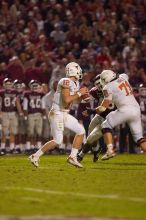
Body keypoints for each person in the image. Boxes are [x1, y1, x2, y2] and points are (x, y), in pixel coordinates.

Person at [29, 62, 89, 168]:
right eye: (78, 69)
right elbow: (66, 100)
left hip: (64, 113)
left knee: (81, 131)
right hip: (56, 113)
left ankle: (72, 157)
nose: (80, 71)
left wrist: (83, 97)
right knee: (57, 141)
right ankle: (35, 156)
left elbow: (73, 101)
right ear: (73, 70)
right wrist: (79, 93)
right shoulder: (65, 81)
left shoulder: (76, 83)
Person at [92, 70, 146, 160]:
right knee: (139, 139)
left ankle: (110, 150)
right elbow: (124, 75)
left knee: (105, 125)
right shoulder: (123, 77)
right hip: (136, 110)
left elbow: (103, 107)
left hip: (125, 110)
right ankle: (110, 150)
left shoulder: (107, 87)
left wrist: (93, 110)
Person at [77, 74, 116, 162]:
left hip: (107, 119)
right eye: (96, 84)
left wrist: (91, 111)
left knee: (90, 138)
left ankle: (80, 156)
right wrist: (81, 94)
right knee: (90, 137)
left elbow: (105, 108)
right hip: (99, 115)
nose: (98, 85)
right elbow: (86, 99)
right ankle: (96, 150)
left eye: (99, 83)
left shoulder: (110, 90)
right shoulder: (96, 91)